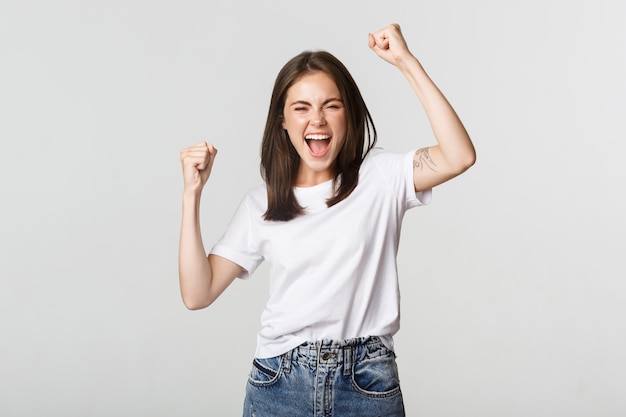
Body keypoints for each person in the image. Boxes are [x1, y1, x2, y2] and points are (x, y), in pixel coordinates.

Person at [178, 23, 475, 417]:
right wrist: (191, 195)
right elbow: (197, 294)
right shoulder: (262, 205)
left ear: (348, 115)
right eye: (301, 108)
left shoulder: (379, 176)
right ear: (282, 121)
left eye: (330, 105)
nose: (316, 119)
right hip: (279, 382)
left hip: (367, 383)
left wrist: (406, 62)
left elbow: (459, 156)